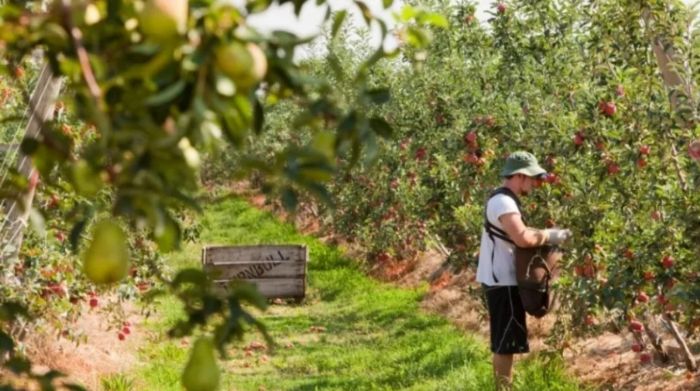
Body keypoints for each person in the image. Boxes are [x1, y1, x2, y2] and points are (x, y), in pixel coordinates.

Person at [476, 151, 572, 390]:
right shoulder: (503, 201)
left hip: (501, 278)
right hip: (502, 280)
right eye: (532, 178)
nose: (534, 183)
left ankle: (504, 387)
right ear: (519, 175)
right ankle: (503, 388)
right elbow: (522, 238)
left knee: (506, 339)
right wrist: (554, 236)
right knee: (505, 341)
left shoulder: (504, 200)